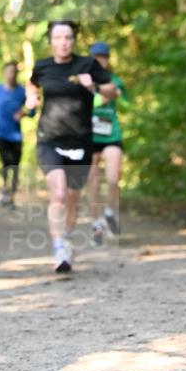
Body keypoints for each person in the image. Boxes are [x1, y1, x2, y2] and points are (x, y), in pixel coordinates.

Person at [26, 20, 116, 272]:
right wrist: (31, 97)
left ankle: (65, 237)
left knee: (73, 199)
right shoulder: (42, 66)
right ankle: (59, 247)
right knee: (59, 193)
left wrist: (94, 86)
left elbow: (112, 92)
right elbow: (32, 83)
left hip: (81, 141)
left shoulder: (87, 65)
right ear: (51, 41)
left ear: (73, 41)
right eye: (58, 38)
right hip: (49, 139)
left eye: (68, 38)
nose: (63, 42)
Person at [86, 41, 128, 245]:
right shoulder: (84, 81)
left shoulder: (115, 80)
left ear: (108, 59)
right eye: (96, 57)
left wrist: (115, 95)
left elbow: (127, 103)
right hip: (89, 136)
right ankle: (96, 224)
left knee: (112, 179)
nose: (99, 60)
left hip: (111, 135)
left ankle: (110, 212)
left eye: (103, 57)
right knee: (92, 183)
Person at [0, 61, 33, 206]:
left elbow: (32, 109)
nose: (11, 75)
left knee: (15, 165)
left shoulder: (21, 91)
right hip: (0, 133)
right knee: (6, 162)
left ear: (17, 74)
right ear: (4, 73)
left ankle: (12, 197)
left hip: (16, 135)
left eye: (14, 72)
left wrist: (24, 112)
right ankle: (4, 189)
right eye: (9, 71)